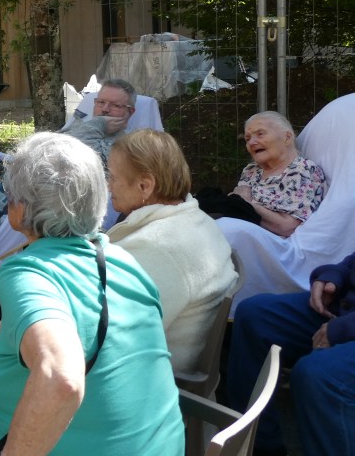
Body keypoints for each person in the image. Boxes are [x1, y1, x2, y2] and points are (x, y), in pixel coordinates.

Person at [0, 132, 184, 455]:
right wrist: (22, 334)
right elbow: (108, 342)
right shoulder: (123, 260)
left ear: (21, 209)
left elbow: (59, 376)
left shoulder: (26, 270)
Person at [0, 79, 137, 277]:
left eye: (115, 105)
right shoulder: (83, 125)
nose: (105, 109)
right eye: (101, 102)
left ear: (130, 111)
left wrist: (97, 126)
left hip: (50, 189)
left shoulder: (124, 144)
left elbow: (75, 155)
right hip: (23, 171)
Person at [106, 129, 236, 373]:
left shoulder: (155, 246)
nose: (108, 185)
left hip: (150, 377)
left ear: (145, 186)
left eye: (112, 177)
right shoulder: (194, 218)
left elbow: (112, 336)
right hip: (169, 362)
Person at [224, 249, 355, 456]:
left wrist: (343, 329)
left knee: (318, 374)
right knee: (255, 316)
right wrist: (335, 275)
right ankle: (260, 445)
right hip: (346, 308)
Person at [198, 110, 327, 238]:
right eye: (247, 138)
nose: (251, 142)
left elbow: (288, 228)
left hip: (273, 245)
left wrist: (247, 204)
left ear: (287, 138)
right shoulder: (251, 170)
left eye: (260, 134)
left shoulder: (301, 170)